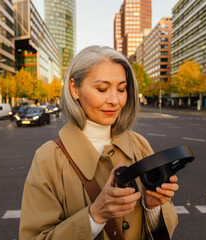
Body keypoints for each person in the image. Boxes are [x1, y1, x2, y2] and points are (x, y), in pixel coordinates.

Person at [19, 46, 179, 240]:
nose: (115, 100)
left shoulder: (140, 144)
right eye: (102, 89)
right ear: (74, 88)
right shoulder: (48, 158)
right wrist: (96, 215)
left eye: (121, 89)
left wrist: (152, 207)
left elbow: (164, 229)